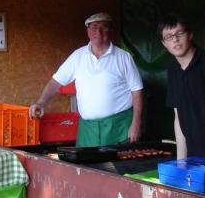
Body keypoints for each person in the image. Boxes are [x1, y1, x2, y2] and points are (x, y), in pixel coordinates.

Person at [30, 12, 143, 146]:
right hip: (88, 129)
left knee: (118, 166)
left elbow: (137, 91)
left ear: (110, 30)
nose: (98, 32)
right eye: (94, 27)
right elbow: (55, 82)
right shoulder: (78, 56)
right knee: (86, 166)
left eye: (104, 27)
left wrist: (136, 124)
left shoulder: (124, 57)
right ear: (88, 31)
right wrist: (41, 102)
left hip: (119, 126)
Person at [158, 14, 205, 159]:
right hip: (194, 153)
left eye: (179, 33)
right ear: (163, 43)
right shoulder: (173, 70)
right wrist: (181, 161)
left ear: (190, 35)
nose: (175, 39)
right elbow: (177, 116)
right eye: (168, 37)